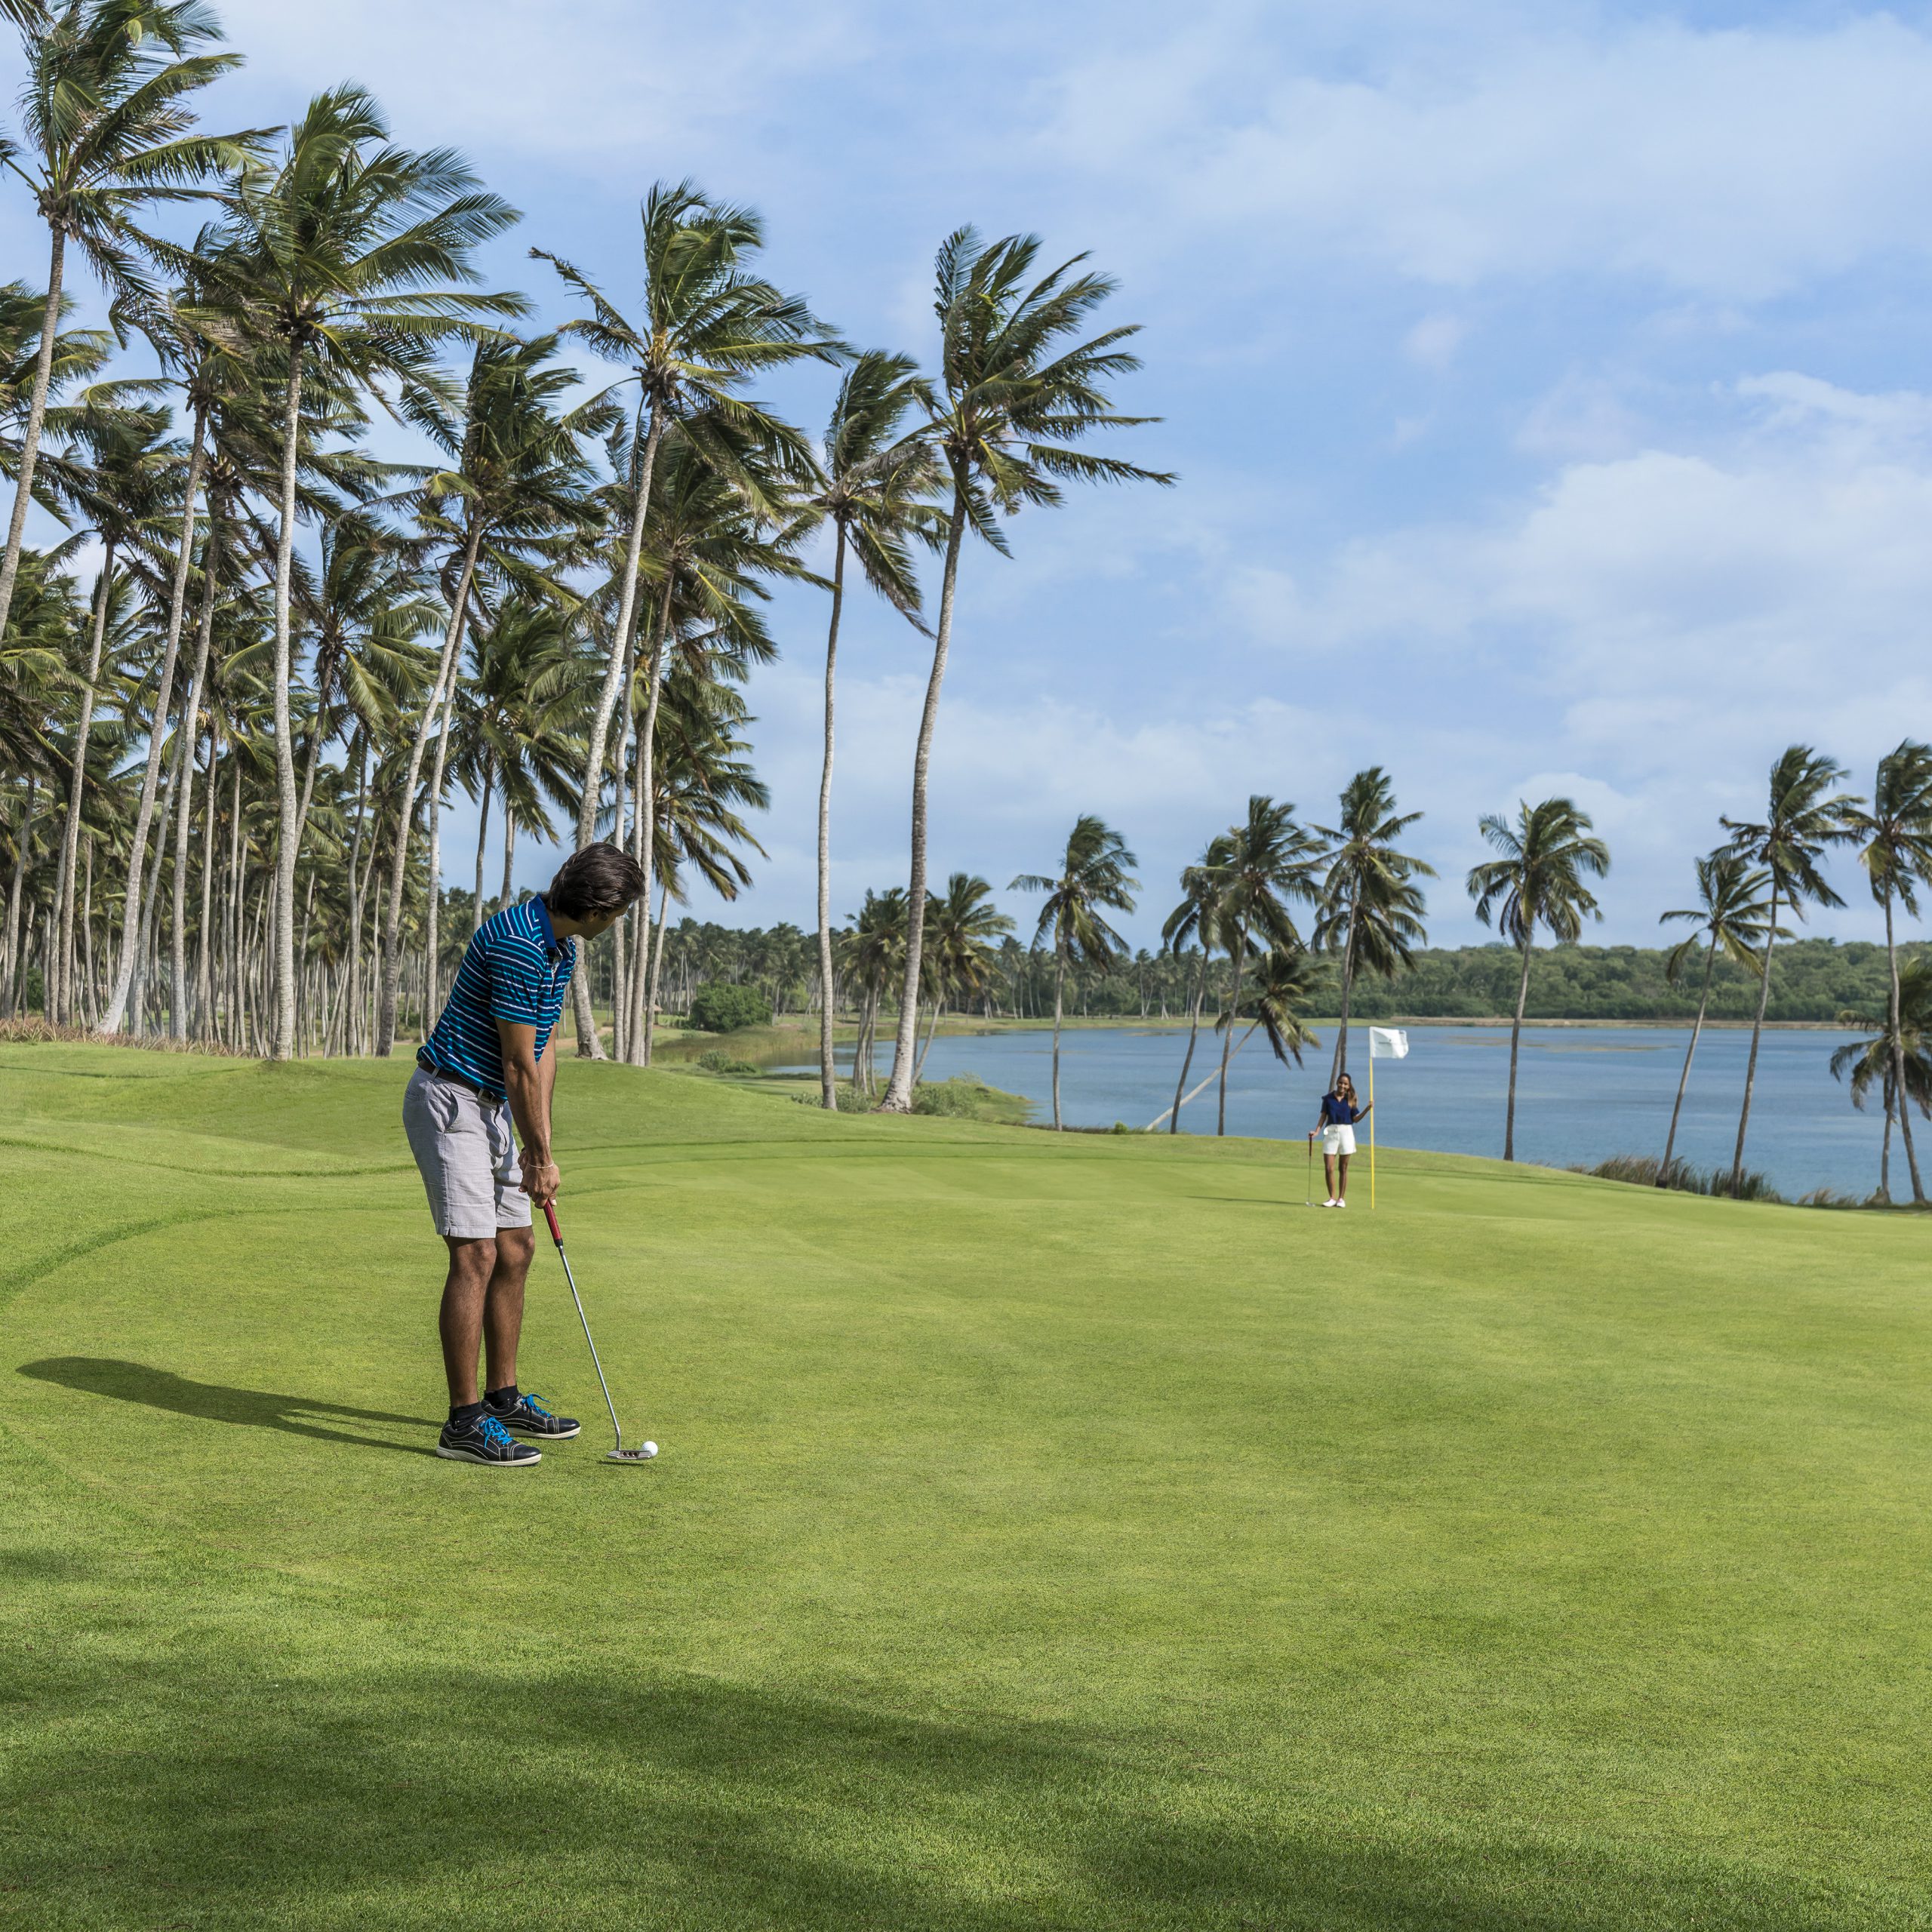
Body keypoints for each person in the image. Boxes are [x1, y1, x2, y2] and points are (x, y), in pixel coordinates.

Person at [403, 841, 645, 1466]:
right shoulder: (517, 941)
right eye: (618, 914)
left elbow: (542, 1050)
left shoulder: (560, 946)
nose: (616, 925)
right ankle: (462, 1423)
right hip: (452, 1099)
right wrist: (536, 1159)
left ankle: (502, 1398)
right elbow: (514, 1061)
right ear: (599, 906)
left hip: (498, 1110)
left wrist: (542, 1145)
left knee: (517, 1245)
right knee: (477, 1252)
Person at [1309, 1071, 1370, 1208]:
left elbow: (1356, 1119)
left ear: (1349, 1086)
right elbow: (1323, 1117)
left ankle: (1341, 1199)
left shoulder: (1350, 1099)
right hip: (1331, 1133)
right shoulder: (1328, 1099)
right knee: (1329, 1168)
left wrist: (1367, 1109)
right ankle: (1332, 1198)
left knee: (1343, 1168)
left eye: (1345, 1084)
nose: (1342, 1085)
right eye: (1341, 1083)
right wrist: (1317, 1131)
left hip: (1346, 1134)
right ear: (1337, 1083)